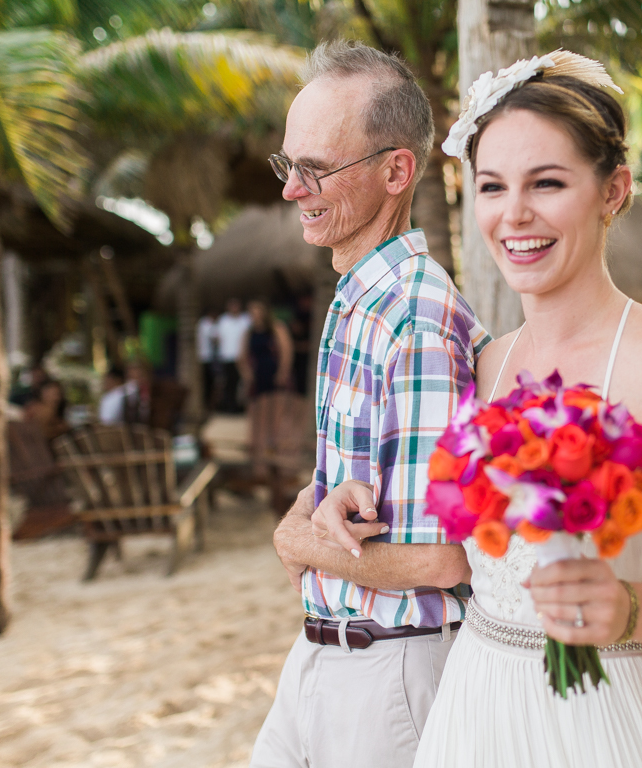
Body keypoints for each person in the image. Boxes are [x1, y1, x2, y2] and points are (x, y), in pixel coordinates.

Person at [312, 51, 642, 767]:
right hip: (473, 709)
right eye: (492, 187)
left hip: (605, 720)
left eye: (548, 183)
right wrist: (355, 494)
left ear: (613, 190)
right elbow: (454, 534)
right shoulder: (486, 365)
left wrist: (630, 610)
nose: (515, 214)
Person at [249, 41, 491, 768]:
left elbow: (444, 560)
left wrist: (298, 541)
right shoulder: (364, 303)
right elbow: (366, 483)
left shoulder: (413, 319)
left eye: (316, 168)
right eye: (288, 165)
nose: (293, 188)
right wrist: (310, 509)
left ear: (396, 171)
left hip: (392, 673)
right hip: (329, 650)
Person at [238, 300, 294, 483]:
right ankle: (258, 457)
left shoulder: (276, 328)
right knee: (257, 415)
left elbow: (286, 350)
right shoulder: (249, 332)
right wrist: (247, 375)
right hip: (257, 374)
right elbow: (242, 355)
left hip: (273, 373)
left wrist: (282, 373)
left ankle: (275, 453)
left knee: (275, 415)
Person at [215, 298, 251, 413]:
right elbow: (217, 337)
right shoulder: (223, 320)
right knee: (230, 383)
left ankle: (243, 406)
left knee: (244, 383)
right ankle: (230, 406)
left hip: (243, 357)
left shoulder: (246, 319)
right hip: (227, 357)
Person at [196, 311, 220, 411]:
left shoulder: (202, 324)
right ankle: (209, 406)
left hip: (208, 358)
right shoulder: (205, 324)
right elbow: (214, 338)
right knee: (209, 383)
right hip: (208, 358)